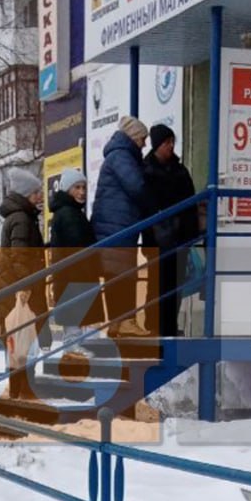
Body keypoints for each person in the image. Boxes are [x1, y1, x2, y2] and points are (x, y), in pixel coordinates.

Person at [91, 116, 152, 337]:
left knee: (116, 274)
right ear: (134, 137)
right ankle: (125, 321)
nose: (145, 145)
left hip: (113, 224)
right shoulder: (122, 156)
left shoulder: (117, 155)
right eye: (143, 139)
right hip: (118, 225)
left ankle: (118, 323)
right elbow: (137, 187)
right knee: (123, 275)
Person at [0, 166, 52, 396]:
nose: (40, 197)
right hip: (22, 290)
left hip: (13, 288)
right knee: (25, 339)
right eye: (37, 192)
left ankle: (18, 390)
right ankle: (26, 390)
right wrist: (26, 286)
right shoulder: (21, 219)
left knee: (17, 341)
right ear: (27, 193)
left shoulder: (18, 217)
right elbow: (20, 256)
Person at [142, 124, 199, 338]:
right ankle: (154, 326)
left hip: (179, 237)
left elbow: (190, 204)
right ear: (157, 145)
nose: (171, 146)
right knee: (157, 284)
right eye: (166, 143)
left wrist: (190, 233)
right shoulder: (147, 170)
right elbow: (147, 206)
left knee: (175, 284)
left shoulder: (180, 170)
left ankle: (169, 326)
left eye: (172, 142)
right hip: (157, 238)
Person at [47, 168, 103, 357]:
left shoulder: (67, 211)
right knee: (74, 312)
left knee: (75, 312)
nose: (82, 192)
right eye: (77, 187)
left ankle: (73, 344)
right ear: (67, 189)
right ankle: (72, 346)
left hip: (70, 274)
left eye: (84, 187)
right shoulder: (69, 214)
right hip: (75, 273)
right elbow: (77, 245)